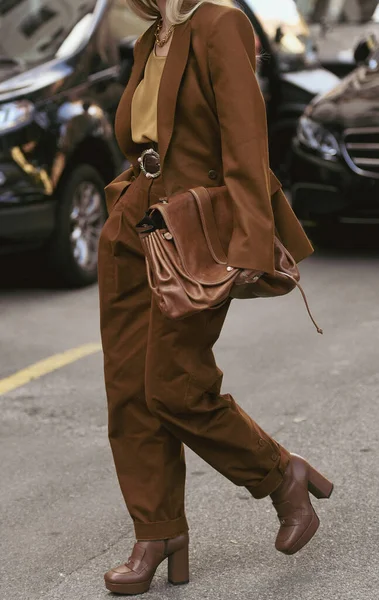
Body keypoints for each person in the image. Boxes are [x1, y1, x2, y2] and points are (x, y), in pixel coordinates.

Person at [97, 0, 333, 595]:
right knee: (129, 391)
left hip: (196, 232)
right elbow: (140, 139)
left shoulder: (220, 23)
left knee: (174, 387)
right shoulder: (147, 42)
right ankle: (157, 532)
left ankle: (282, 476)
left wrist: (251, 248)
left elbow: (246, 145)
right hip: (136, 228)